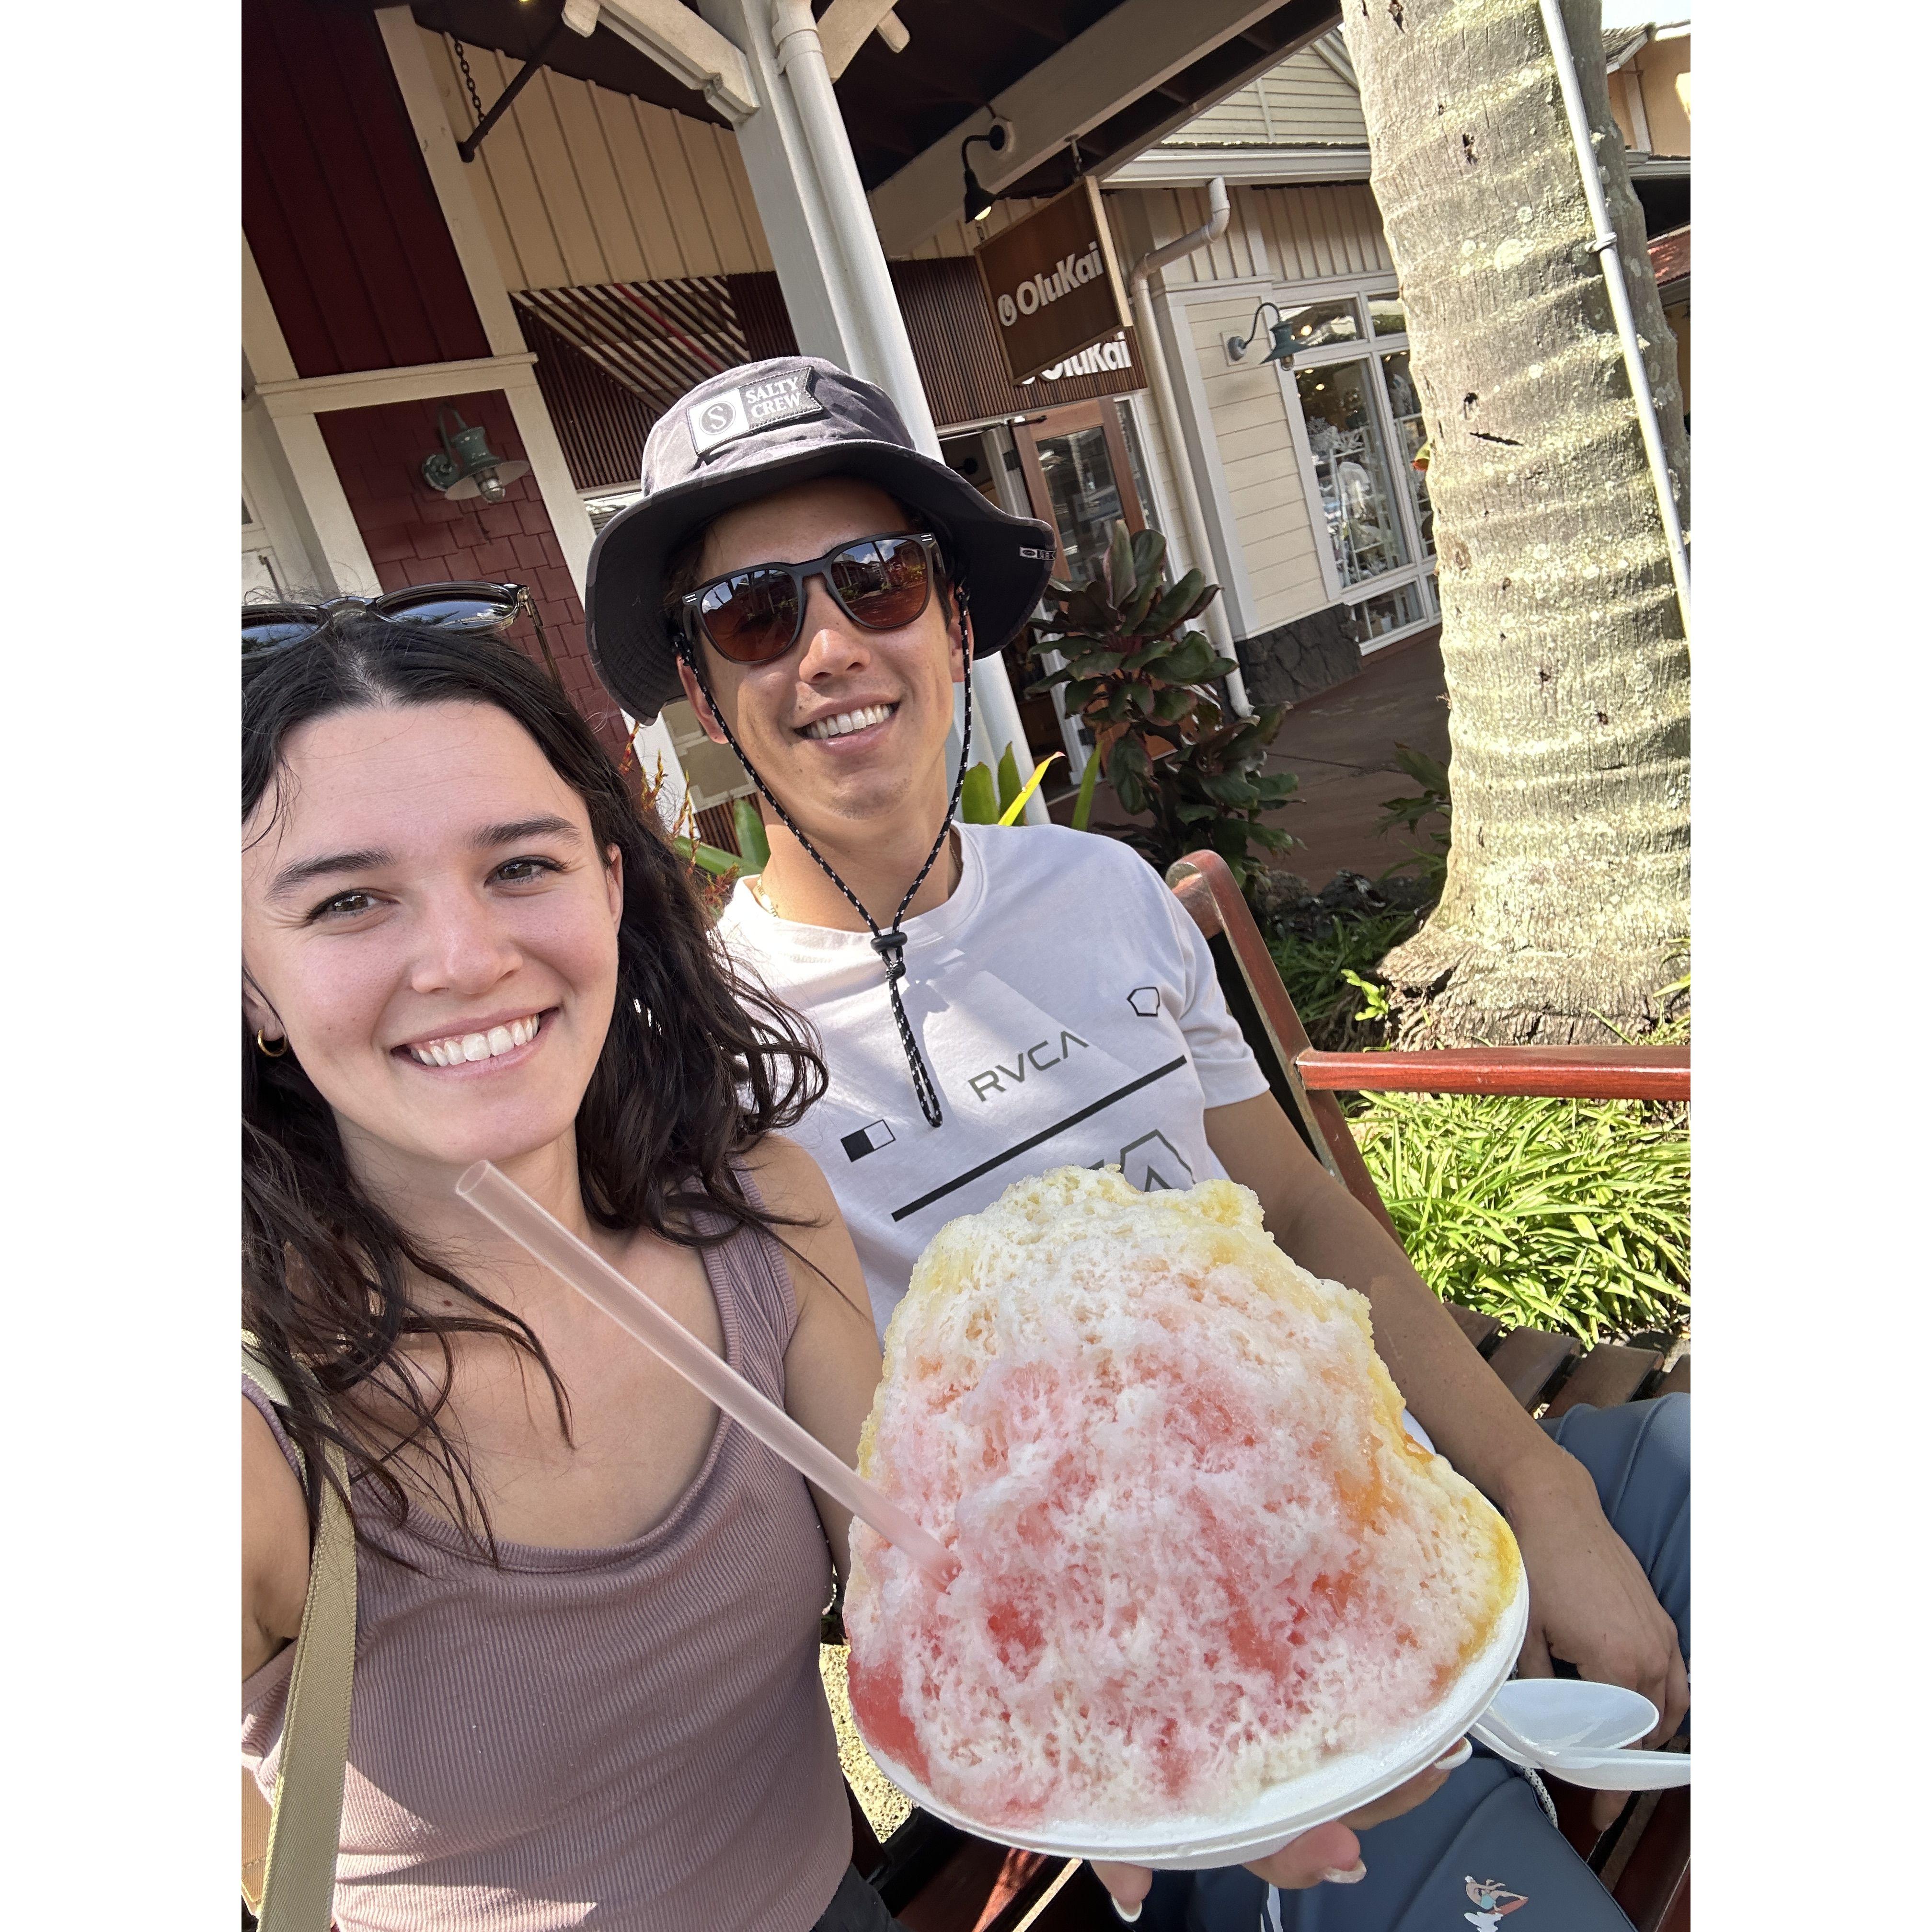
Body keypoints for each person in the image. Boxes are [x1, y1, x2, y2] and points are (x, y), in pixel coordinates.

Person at [584, 358, 1690, 1931]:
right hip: (1154, 1706)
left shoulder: (1100, 894)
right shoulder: (692, 1068)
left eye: (878, 581)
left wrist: (1544, 1493)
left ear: (955, 622)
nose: (831, 643)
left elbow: (1297, 1203)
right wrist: (1122, 1753)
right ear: (704, 689)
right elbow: (839, 1490)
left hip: (1384, 1488)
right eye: (758, 614)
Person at [241, 604, 903, 1932]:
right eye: (350, 899)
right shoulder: (239, 1432)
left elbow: (920, 1586)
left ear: (610, 884)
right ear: (244, 980)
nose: (468, 960)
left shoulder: (759, 1211)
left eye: (521, 868)